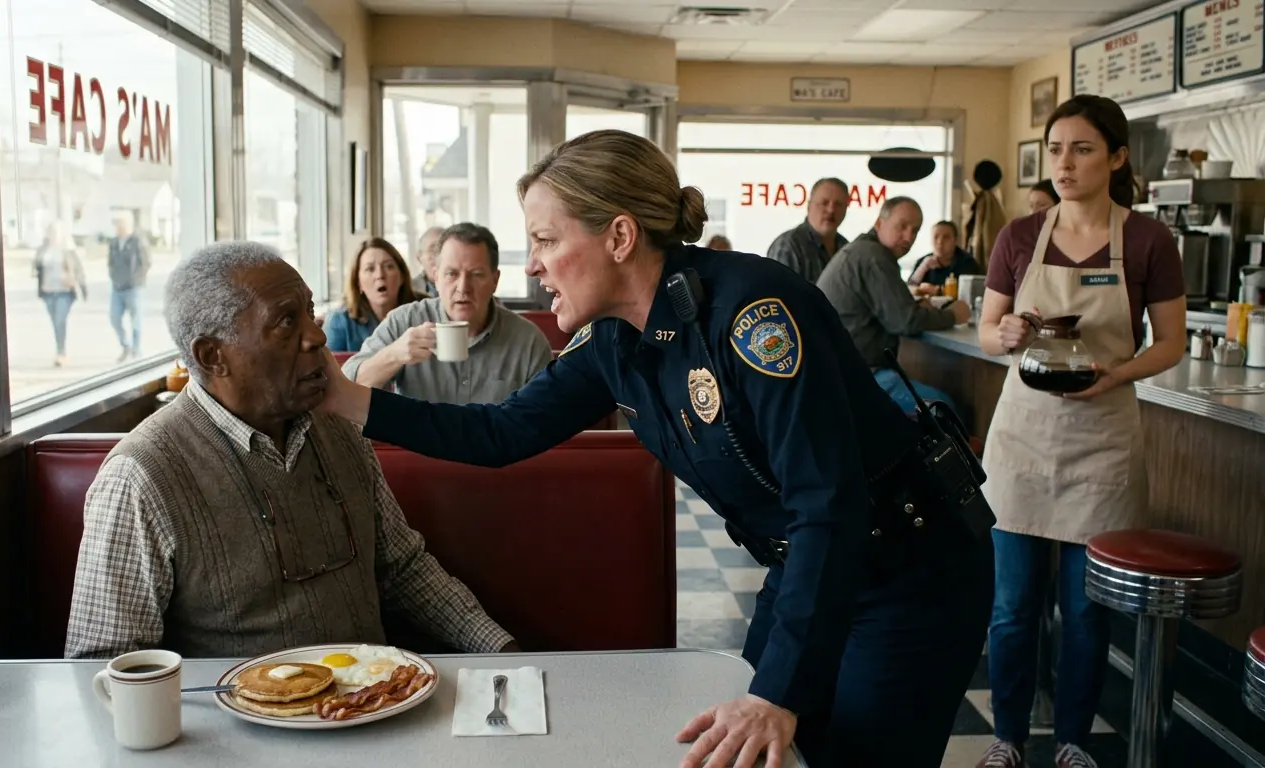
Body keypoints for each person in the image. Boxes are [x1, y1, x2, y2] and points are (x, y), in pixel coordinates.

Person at [318, 129, 993, 768]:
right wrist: (353, 402)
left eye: (547, 240)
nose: (536, 266)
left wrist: (777, 695)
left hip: (909, 569)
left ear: (619, 236)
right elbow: (501, 433)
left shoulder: (754, 316)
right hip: (811, 565)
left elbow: (827, 502)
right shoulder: (614, 340)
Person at [65, 241, 518, 660]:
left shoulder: (339, 428)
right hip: (240, 738)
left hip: (376, 707)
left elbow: (402, 569)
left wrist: (500, 648)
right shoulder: (142, 476)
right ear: (210, 356)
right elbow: (104, 664)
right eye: (286, 321)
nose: (317, 338)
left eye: (310, 312)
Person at [973, 95, 1186, 768]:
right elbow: (989, 330)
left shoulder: (1149, 240)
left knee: (1086, 611)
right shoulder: (1019, 237)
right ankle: (1007, 737)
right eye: (1057, 149)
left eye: (1083, 149)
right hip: (1021, 443)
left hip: (1103, 439)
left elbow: (1173, 343)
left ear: (1117, 158)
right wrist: (1004, 333)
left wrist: (1119, 370)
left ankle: (1070, 741)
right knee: (1010, 609)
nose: (1065, 163)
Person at [344, 223, 552, 404]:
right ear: (436, 278)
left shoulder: (528, 341)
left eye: (476, 275)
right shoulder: (405, 322)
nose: (463, 287)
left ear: (495, 281)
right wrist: (395, 354)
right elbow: (348, 386)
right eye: (451, 274)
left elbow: (547, 419)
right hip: (416, 449)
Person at [816, 197, 971, 413]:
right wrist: (953, 315)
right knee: (943, 409)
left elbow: (897, 310)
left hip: (834, 373)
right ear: (879, 223)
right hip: (858, 375)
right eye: (902, 226)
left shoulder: (861, 250)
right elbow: (905, 320)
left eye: (915, 231)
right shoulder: (875, 257)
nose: (909, 236)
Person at [325, 238, 418, 353]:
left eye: (388, 266)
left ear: (402, 276)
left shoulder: (423, 311)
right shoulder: (340, 321)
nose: (380, 275)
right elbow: (325, 368)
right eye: (370, 269)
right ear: (358, 282)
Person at [765, 178, 850, 283]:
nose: (831, 210)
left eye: (838, 204)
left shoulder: (846, 248)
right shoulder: (789, 246)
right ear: (809, 206)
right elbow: (778, 294)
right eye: (824, 203)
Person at [33, 220, 87, 368]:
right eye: (51, 232)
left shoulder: (69, 250)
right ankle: (60, 350)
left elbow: (79, 271)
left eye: (56, 232)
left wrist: (82, 288)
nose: (53, 235)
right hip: (48, 292)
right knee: (55, 323)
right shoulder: (43, 250)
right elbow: (37, 266)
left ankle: (61, 353)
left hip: (65, 292)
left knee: (59, 321)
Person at [108, 211, 150, 363]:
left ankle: (136, 350)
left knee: (136, 319)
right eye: (116, 224)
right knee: (114, 318)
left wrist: (136, 279)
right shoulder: (113, 242)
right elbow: (111, 263)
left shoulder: (137, 241)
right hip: (117, 287)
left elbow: (145, 262)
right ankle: (126, 346)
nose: (117, 227)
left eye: (120, 224)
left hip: (134, 287)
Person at [907, 220, 980, 296]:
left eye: (946, 237)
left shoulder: (968, 263)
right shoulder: (924, 262)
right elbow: (907, 289)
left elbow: (973, 293)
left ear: (955, 240)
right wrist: (922, 269)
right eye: (936, 237)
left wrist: (938, 291)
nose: (940, 242)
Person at [412, 226, 444, 298]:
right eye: (433, 249)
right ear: (419, 258)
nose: (439, 255)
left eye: (444, 249)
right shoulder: (409, 290)